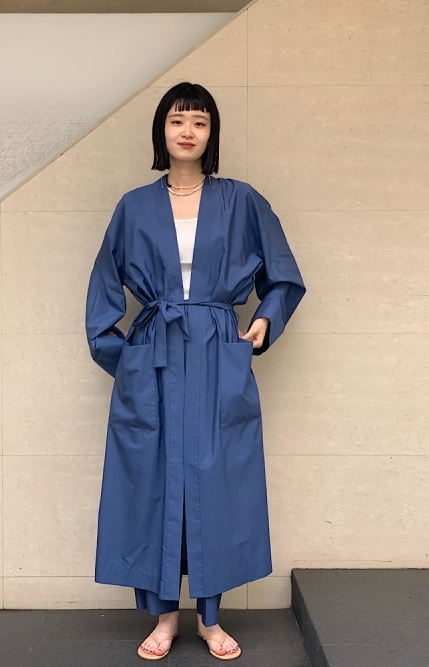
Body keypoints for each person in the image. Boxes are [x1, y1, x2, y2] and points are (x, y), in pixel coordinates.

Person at [85, 82, 305, 661]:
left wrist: (262, 321)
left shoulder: (242, 200)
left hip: (214, 353)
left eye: (200, 122)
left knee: (217, 479)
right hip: (155, 356)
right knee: (153, 479)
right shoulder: (134, 206)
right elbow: (104, 288)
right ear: (162, 130)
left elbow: (283, 275)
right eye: (178, 120)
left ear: (212, 134)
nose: (188, 131)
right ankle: (164, 619)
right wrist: (125, 357)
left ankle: (210, 619)